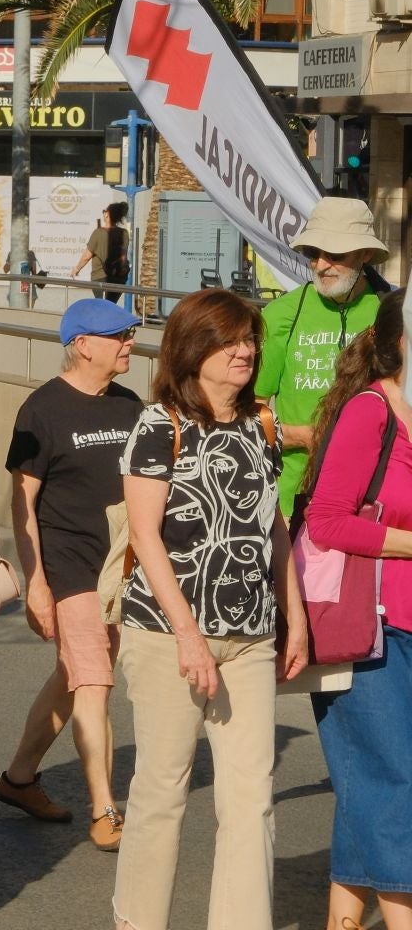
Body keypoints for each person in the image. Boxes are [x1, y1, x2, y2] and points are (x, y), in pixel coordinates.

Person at [112, 288, 308, 930]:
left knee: (252, 799)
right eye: (229, 341)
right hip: (169, 635)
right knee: (162, 793)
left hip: (249, 636)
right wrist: (189, 637)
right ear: (192, 349)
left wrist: (293, 614)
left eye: (249, 338)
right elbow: (145, 536)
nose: (245, 350)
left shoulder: (263, 422)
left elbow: (272, 524)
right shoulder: (158, 425)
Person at [0, 298, 143, 851]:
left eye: (130, 334)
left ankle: (19, 778)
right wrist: (35, 580)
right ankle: (104, 807)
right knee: (96, 682)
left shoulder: (130, 406)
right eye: (118, 336)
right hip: (69, 566)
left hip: (120, 568)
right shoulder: (42, 409)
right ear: (82, 344)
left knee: (76, 677)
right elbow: (22, 501)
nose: (129, 343)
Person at [298, 289, 412, 930]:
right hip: (371, 628)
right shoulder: (370, 412)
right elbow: (329, 521)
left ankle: (342, 919)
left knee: (371, 779)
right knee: (396, 782)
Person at [256, 196, 387, 517]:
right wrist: (300, 436)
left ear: (365, 254)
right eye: (313, 253)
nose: (321, 264)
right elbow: (249, 408)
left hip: (370, 495)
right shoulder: (282, 313)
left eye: (336, 255)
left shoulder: (389, 312)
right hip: (291, 499)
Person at [72, 204, 131, 300]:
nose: (103, 213)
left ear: (107, 214)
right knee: (110, 305)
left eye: (104, 211)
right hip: (118, 279)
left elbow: (87, 256)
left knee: (103, 307)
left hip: (100, 277)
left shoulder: (98, 233)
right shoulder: (124, 233)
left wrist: (77, 269)